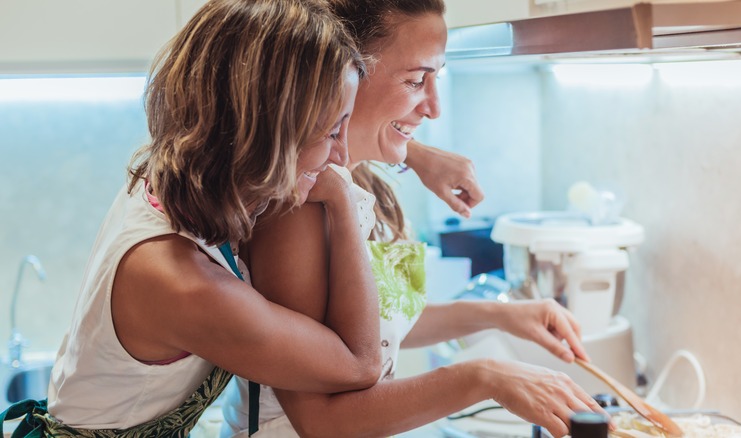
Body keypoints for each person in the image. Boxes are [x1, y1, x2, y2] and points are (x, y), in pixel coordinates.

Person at [220, 1, 608, 437]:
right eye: (415, 80)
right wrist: (485, 377)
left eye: (436, 78)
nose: (434, 107)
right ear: (343, 72)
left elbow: (381, 324)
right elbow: (321, 420)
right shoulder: (300, 204)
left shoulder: (367, 181)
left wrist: (502, 315)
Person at [0, 1, 387, 436]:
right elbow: (359, 362)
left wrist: (420, 157)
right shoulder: (182, 282)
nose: (343, 156)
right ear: (269, 132)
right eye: (332, 132)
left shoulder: (180, 175)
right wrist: (341, 202)